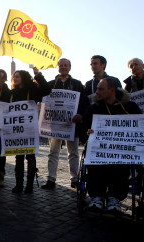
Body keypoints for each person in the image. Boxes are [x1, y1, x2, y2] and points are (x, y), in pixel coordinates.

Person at [82, 77, 142, 212]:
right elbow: (82, 129)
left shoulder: (130, 108)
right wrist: (87, 133)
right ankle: (97, 196)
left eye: (100, 89)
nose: (96, 92)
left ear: (112, 90)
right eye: (97, 88)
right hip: (98, 151)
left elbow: (141, 129)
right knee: (95, 164)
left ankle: (114, 198)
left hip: (122, 152)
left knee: (121, 166)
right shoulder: (93, 108)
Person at [42, 58, 87, 189]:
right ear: (58, 67)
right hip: (54, 124)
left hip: (72, 124)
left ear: (69, 67)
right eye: (61, 65)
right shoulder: (50, 84)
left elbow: (84, 103)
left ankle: (74, 179)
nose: (63, 67)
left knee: (73, 153)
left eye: (65, 65)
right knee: (53, 152)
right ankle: (51, 179)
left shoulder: (78, 84)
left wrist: (80, 115)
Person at [123, 58, 144, 217]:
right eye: (131, 66)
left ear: (143, 66)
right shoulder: (127, 87)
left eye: (136, 65)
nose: (133, 67)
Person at [11, 68, 51, 193]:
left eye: (17, 76)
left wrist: (38, 75)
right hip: (17, 129)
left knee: (30, 157)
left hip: (30, 128)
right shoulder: (12, 92)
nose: (15, 79)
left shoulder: (32, 90)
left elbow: (46, 89)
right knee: (18, 157)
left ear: (23, 77)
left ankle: (29, 185)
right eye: (14, 77)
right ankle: (19, 185)